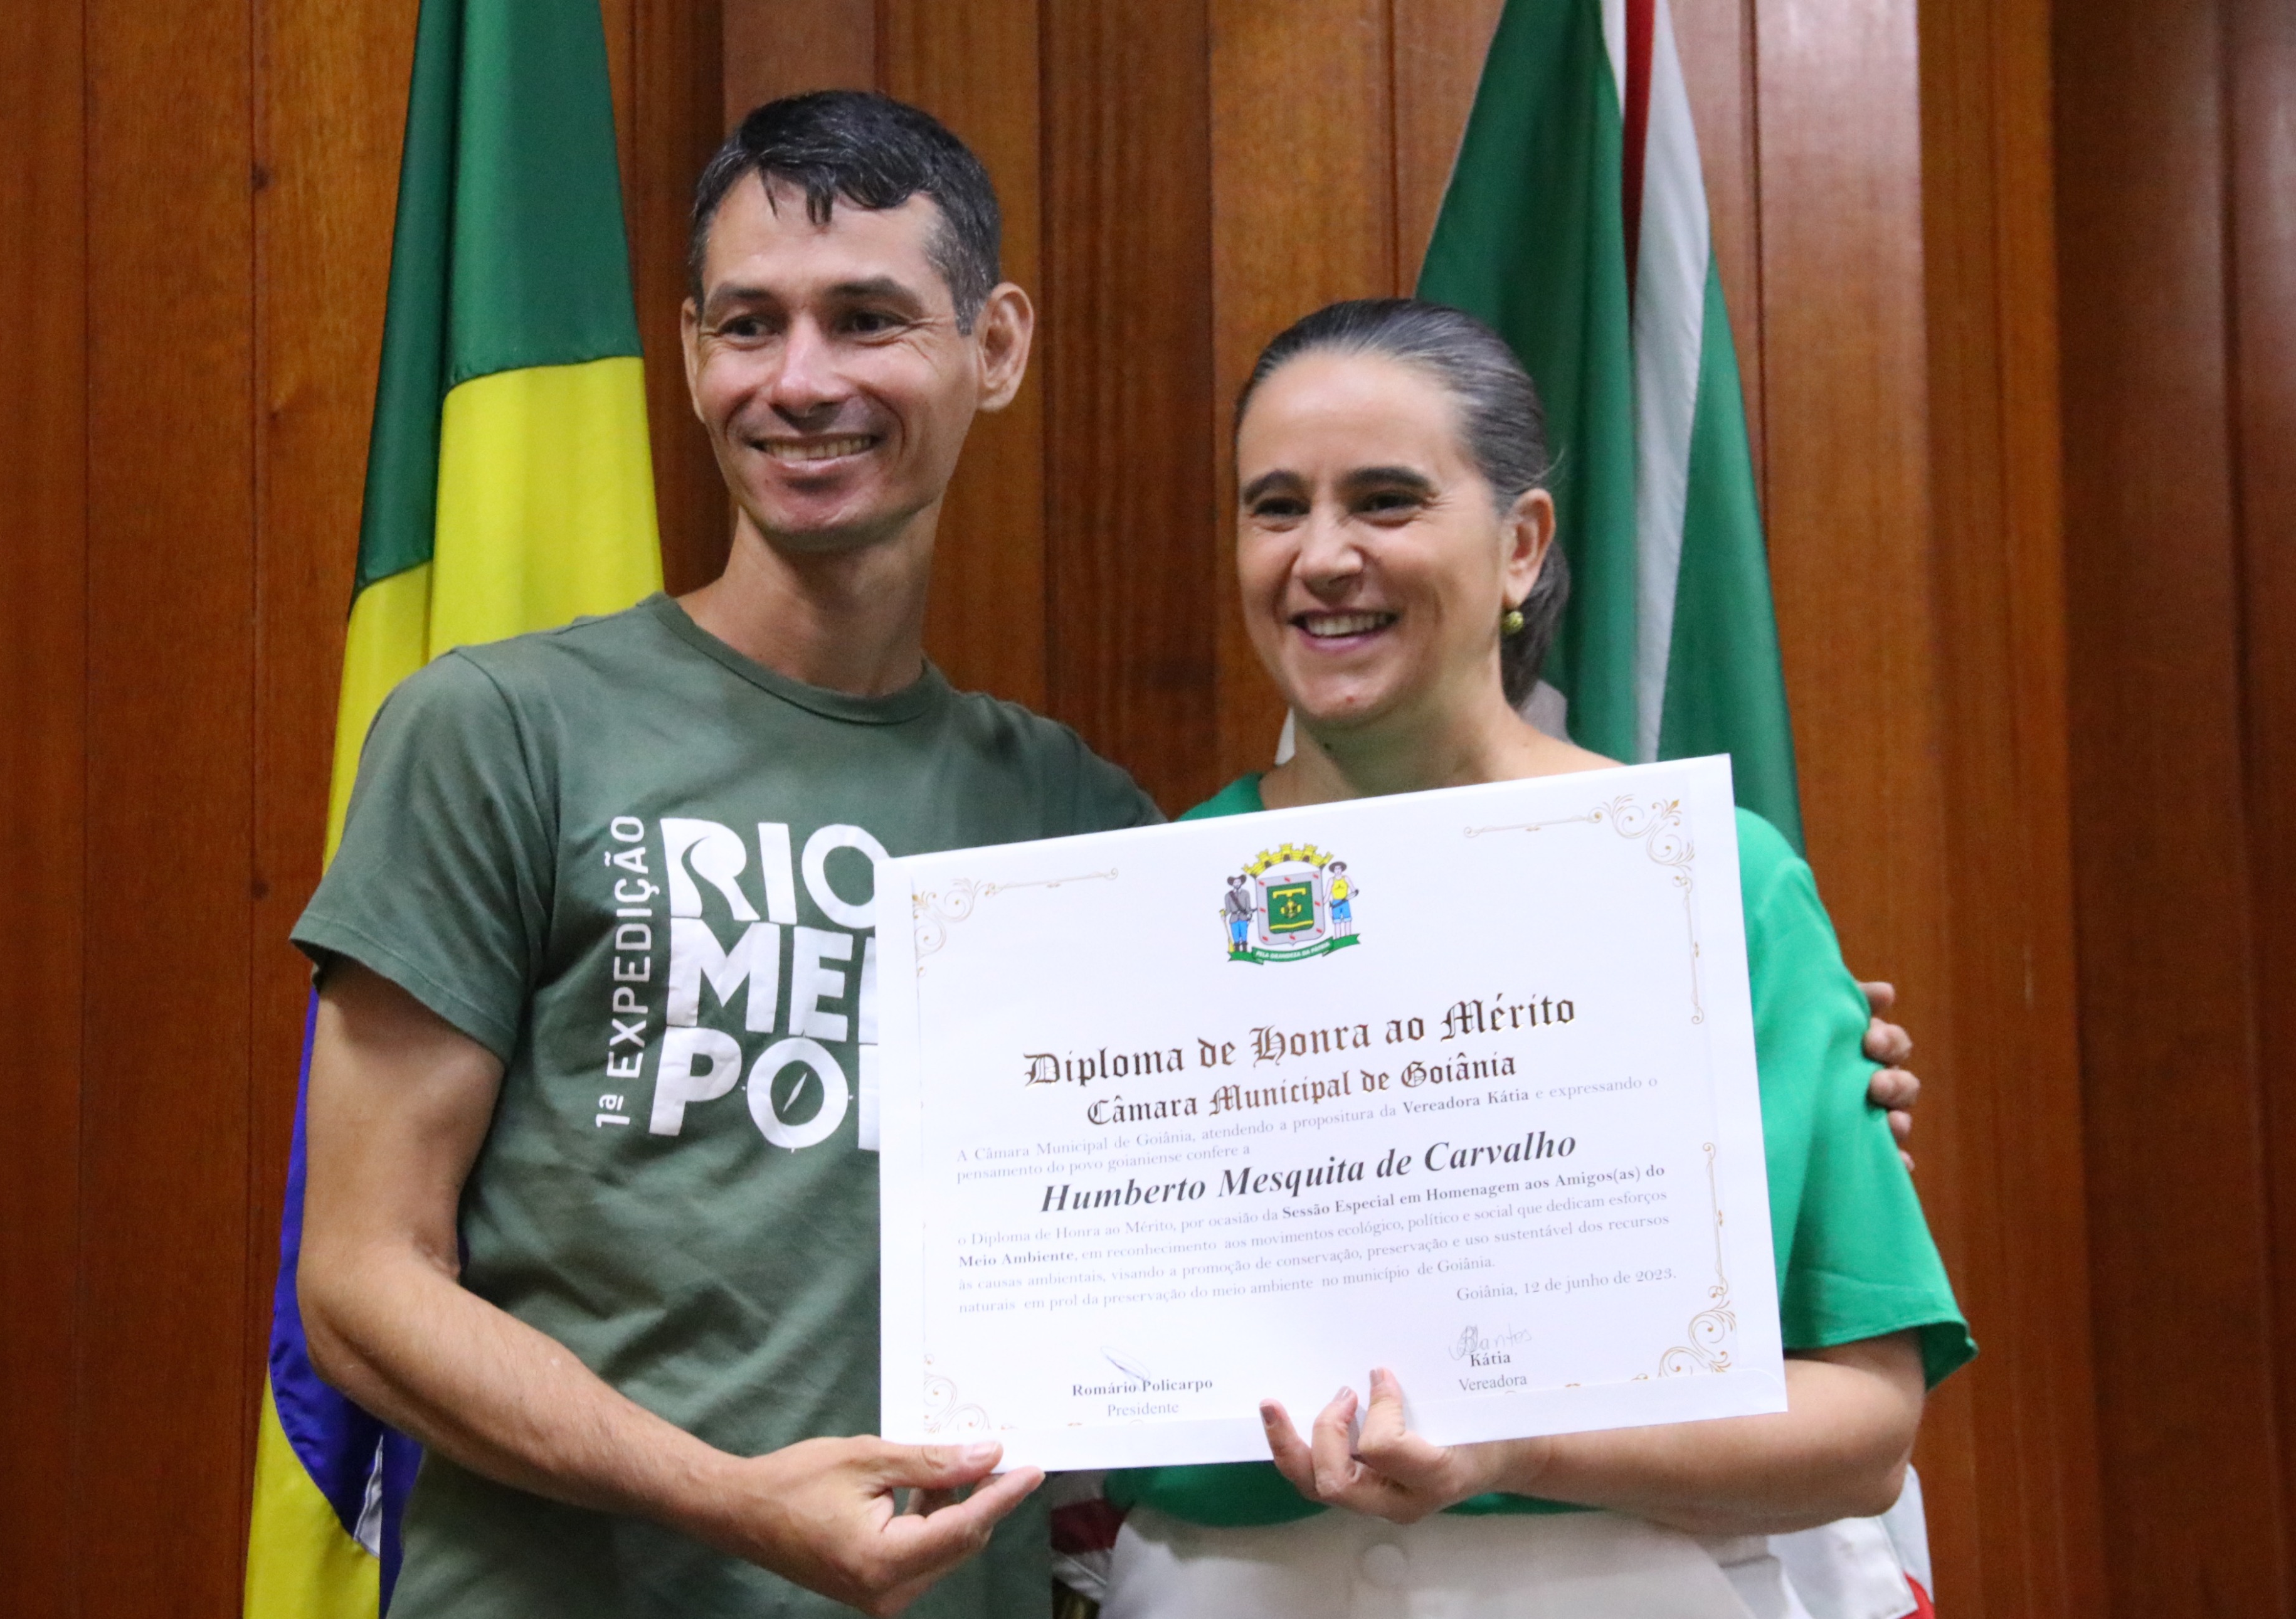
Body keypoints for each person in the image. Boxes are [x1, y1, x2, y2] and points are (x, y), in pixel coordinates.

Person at [291, 92, 1163, 1619]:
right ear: (693, 354)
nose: (800, 381)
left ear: (996, 345)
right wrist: (733, 1503)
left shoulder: (1077, 819)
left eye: (868, 318)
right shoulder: (501, 729)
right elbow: (363, 1286)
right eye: (750, 324)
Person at [1089, 299, 1972, 1619]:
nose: (1322, 556)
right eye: (1276, 508)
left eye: (1385, 500)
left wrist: (1518, 1444)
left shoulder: (1707, 885)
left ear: (1520, 545)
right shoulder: (1127, 908)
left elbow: (1863, 1431)